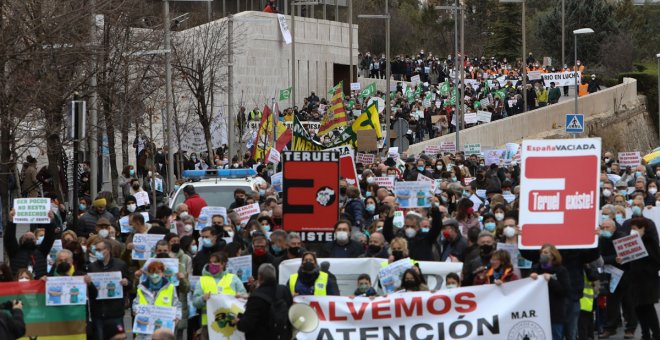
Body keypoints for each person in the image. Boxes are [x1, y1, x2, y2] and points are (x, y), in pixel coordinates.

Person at [192, 252, 246, 339]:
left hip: (231, 324)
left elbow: (244, 298)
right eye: (211, 262)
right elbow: (195, 302)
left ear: (223, 264)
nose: (212, 264)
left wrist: (241, 296)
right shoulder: (202, 280)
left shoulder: (233, 278)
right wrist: (203, 298)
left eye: (216, 262)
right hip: (209, 325)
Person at [87, 239, 131, 340]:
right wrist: (89, 284)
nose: (96, 252)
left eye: (99, 250)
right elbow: (91, 293)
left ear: (107, 250)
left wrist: (126, 282)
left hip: (116, 313)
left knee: (118, 337)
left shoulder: (120, 265)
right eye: (95, 250)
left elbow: (130, 285)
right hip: (98, 313)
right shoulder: (92, 267)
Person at [237, 263, 293, 340]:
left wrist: (238, 322)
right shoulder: (285, 290)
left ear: (260, 277)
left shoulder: (256, 296)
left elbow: (247, 325)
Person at [627, 218, 660, 339]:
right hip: (634, 280)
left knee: (648, 307)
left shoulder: (649, 242)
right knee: (638, 308)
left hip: (647, 281)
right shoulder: (632, 242)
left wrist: (646, 270)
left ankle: (656, 333)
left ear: (643, 229)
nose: (632, 231)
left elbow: (656, 261)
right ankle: (645, 333)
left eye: (635, 228)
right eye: (631, 228)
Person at [530, 244, 571, 340]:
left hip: (555, 313)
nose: (542, 255)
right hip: (538, 313)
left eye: (545, 253)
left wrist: (551, 280)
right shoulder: (535, 269)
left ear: (553, 255)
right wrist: (530, 278)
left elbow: (565, 291)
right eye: (541, 253)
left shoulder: (561, 270)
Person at [132, 261, 182, 340]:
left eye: (158, 272)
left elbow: (177, 305)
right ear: (148, 273)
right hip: (144, 332)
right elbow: (135, 303)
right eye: (152, 273)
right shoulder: (141, 288)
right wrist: (135, 311)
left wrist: (177, 317)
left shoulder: (170, 287)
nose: (154, 275)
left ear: (162, 273)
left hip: (163, 332)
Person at [4, 209, 57, 279]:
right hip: (19, 286)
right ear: (21, 240)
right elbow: (9, 238)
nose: (29, 238)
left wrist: (50, 221)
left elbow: (49, 238)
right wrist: (11, 221)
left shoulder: (41, 251)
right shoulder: (15, 252)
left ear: (36, 240)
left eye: (32, 237)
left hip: (38, 287)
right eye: (26, 237)